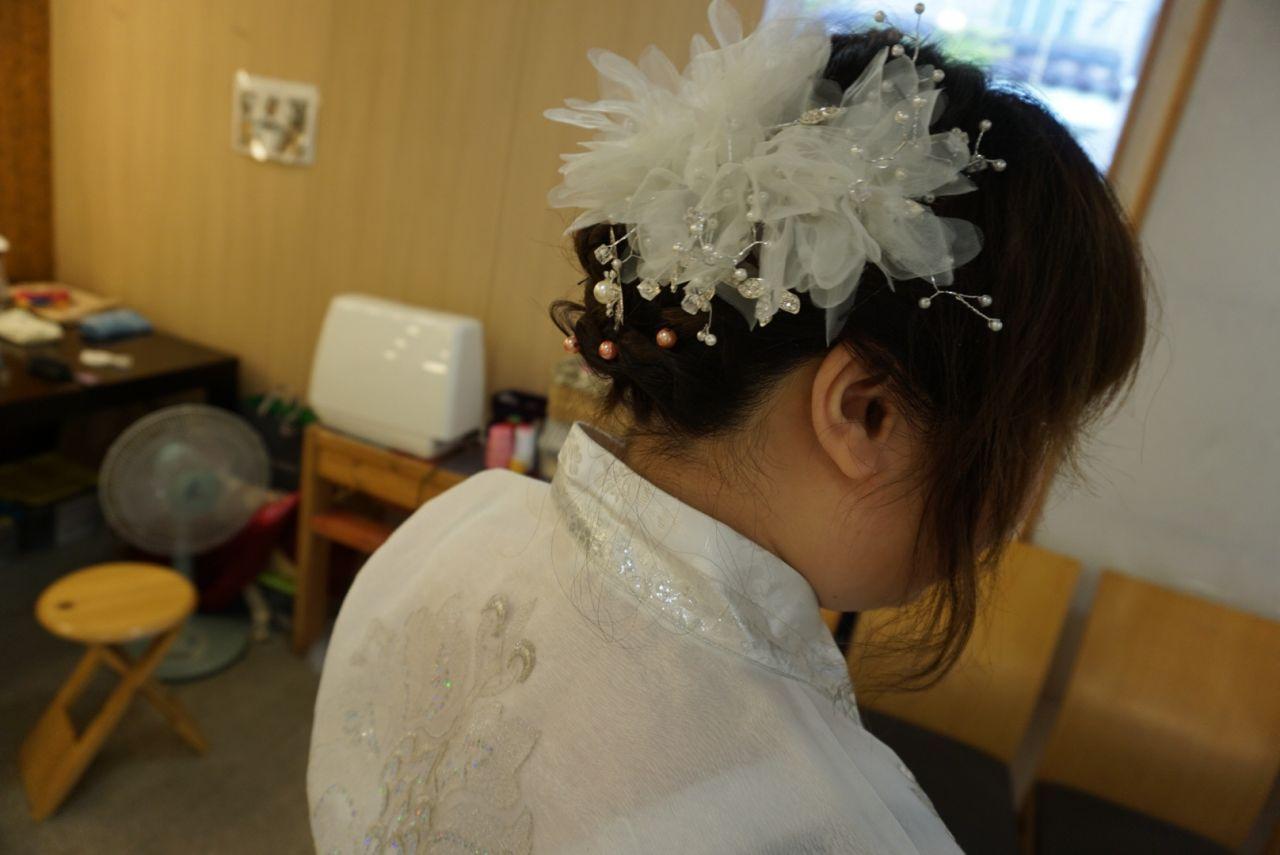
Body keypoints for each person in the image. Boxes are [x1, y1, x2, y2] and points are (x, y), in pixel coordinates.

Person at [308, 3, 1146, 852]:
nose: (1031, 494)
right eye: (1038, 435)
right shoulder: (834, 826)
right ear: (867, 413)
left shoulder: (455, 521)